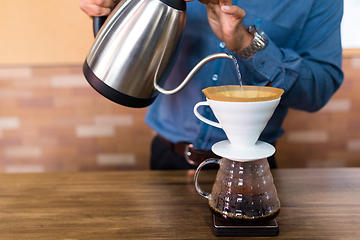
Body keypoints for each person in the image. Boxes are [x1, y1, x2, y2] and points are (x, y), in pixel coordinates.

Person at [79, 0, 344, 169]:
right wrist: (110, 8)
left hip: (251, 167)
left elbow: (320, 89)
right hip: (167, 158)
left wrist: (248, 45)